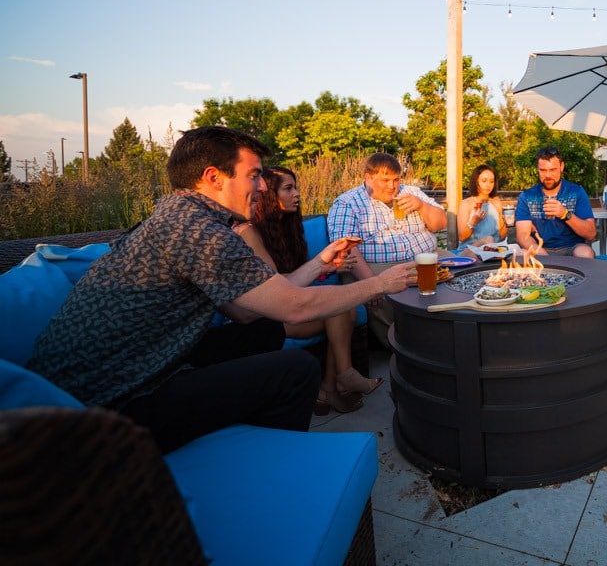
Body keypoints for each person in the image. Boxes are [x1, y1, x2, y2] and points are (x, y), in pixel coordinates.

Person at [27, 126, 413, 453]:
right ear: (213, 178)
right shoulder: (199, 231)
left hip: (132, 369)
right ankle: (274, 471)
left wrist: (319, 263)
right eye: (254, 175)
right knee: (295, 371)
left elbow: (248, 308)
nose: (263, 187)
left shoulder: (180, 216)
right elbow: (294, 308)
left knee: (261, 329)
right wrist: (382, 282)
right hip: (100, 406)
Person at [237, 165, 384, 416]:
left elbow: (298, 275)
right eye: (288, 188)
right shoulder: (249, 231)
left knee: (341, 308)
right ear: (270, 194)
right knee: (337, 308)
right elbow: (273, 285)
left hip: (288, 304)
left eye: (296, 187)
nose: (297, 194)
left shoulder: (288, 228)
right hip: (267, 316)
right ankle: (341, 377)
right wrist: (323, 268)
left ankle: (329, 387)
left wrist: (331, 269)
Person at [327, 152, 448, 348]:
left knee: (462, 269)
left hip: (427, 257)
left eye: (396, 179)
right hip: (377, 265)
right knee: (382, 292)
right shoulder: (348, 203)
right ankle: (404, 348)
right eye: (385, 180)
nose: (392, 186)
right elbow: (346, 248)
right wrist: (374, 284)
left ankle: (450, 335)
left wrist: (421, 206)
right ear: (368, 177)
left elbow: (441, 223)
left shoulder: (411, 192)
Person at [515, 146, 597, 258]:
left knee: (585, 252)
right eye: (543, 170)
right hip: (540, 249)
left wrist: (565, 214)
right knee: (519, 254)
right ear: (538, 169)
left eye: (552, 170)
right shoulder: (527, 196)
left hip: (572, 248)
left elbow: (591, 234)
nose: (548, 175)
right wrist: (543, 254)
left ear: (561, 167)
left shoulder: (576, 192)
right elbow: (522, 236)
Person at [457, 164, 508, 247]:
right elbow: (462, 238)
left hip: (493, 250)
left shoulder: (496, 202)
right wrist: (473, 222)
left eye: (491, 181)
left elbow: (501, 236)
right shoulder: (466, 204)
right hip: (471, 251)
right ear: (476, 182)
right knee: (488, 240)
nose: (488, 185)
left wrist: (508, 222)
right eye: (484, 181)